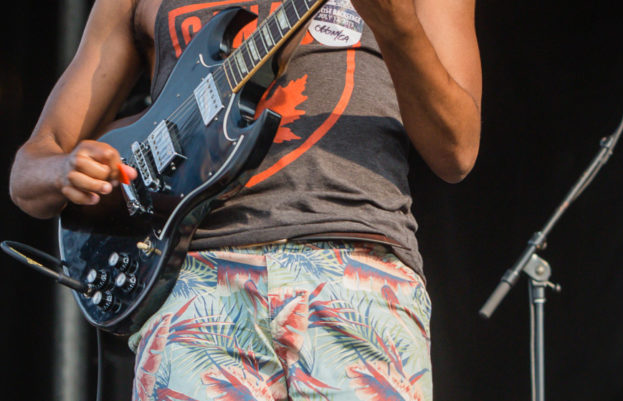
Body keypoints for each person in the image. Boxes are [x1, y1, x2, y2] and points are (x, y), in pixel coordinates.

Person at [9, 0, 481, 399]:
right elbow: (30, 170)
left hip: (358, 272)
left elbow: (457, 150)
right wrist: (63, 170)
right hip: (193, 285)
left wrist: (397, 27)